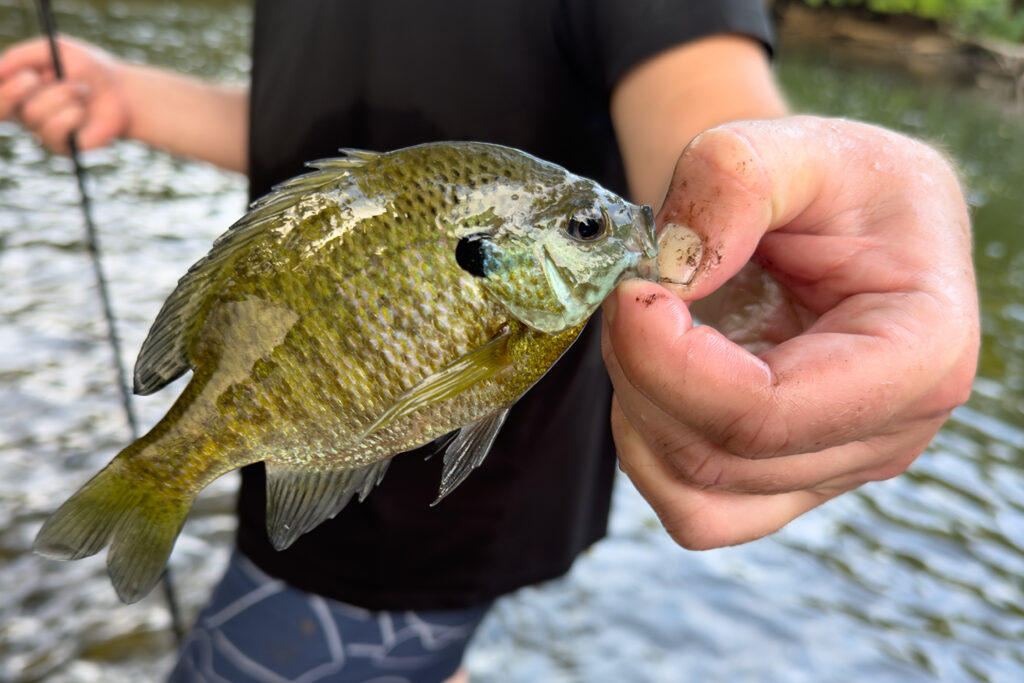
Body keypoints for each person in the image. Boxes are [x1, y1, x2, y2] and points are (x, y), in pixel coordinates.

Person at [0, 1, 979, 681]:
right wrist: (130, 97)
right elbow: (306, 127)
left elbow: (708, 122)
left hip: (426, 538)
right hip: (327, 451)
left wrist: (800, 200)